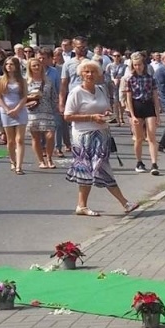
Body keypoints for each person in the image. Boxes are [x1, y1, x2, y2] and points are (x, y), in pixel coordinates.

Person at [63, 59, 137, 216]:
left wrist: (106, 115)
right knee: (94, 168)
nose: (90, 74)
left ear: (98, 74)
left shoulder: (101, 89)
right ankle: (124, 202)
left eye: (93, 71)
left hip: (101, 133)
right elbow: (68, 116)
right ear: (81, 74)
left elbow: (106, 108)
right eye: (86, 71)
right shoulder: (76, 92)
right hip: (84, 136)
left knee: (94, 168)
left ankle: (82, 206)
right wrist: (91, 117)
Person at [121, 52, 163, 176]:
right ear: (132, 66)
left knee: (151, 136)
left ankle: (154, 163)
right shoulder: (130, 79)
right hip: (136, 106)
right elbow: (128, 98)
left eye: (139, 64)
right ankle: (139, 161)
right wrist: (132, 115)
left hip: (148, 105)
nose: (138, 67)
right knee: (139, 138)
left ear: (143, 65)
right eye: (135, 65)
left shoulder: (150, 78)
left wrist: (158, 114)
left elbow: (155, 96)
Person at [25, 54, 59, 168]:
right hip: (32, 112)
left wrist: (56, 108)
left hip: (47, 111)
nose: (36, 67)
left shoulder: (48, 80)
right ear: (30, 68)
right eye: (33, 66)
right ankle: (41, 161)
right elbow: (21, 97)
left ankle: (49, 158)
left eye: (38, 65)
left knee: (50, 136)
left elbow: (54, 95)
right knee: (36, 137)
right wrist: (31, 97)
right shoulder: (26, 82)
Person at [0, 55, 29, 173]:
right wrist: (6, 109)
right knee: (10, 140)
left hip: (20, 110)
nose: (9, 66)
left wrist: (17, 109)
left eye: (11, 64)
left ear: (16, 66)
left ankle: (19, 165)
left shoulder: (22, 80)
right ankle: (12, 161)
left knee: (19, 139)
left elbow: (25, 96)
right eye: (7, 64)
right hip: (6, 111)